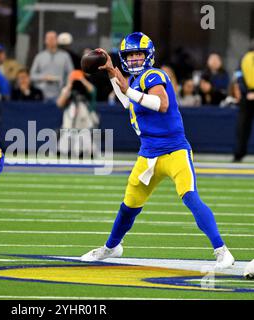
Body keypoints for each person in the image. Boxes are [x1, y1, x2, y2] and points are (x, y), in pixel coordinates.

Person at [81, 32, 234, 271]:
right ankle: (111, 247)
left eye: (137, 54)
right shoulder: (133, 81)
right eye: (129, 56)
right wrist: (111, 71)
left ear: (148, 55)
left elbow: (160, 104)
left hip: (174, 151)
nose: (133, 60)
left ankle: (222, 251)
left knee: (190, 197)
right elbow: (125, 100)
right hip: (148, 154)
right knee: (128, 205)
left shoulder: (153, 74)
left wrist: (126, 87)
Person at [56, 69, 98, 157]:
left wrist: (81, 79)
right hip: (69, 128)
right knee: (62, 151)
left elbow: (93, 91)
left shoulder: (86, 90)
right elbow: (60, 103)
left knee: (89, 152)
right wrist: (70, 83)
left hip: (84, 127)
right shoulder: (67, 90)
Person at [30, 31, 74, 101]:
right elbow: (32, 76)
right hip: (42, 95)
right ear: (45, 41)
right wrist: (44, 77)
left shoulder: (65, 56)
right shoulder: (39, 57)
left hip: (60, 95)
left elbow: (71, 74)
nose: (51, 41)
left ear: (57, 40)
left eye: (53, 38)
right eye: (49, 38)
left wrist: (66, 87)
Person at [233, 41, 254, 162]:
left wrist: (246, 92)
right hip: (247, 96)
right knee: (242, 126)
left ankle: (238, 155)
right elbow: (239, 76)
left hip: (247, 96)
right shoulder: (245, 59)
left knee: (242, 126)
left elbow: (239, 77)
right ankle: (238, 154)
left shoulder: (244, 58)